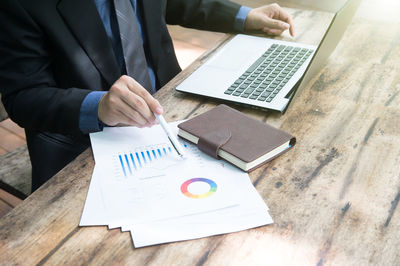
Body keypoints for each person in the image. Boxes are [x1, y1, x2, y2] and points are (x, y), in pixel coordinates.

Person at [0, 0, 294, 191]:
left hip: (174, 115)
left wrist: (243, 16)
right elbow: (24, 96)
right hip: (83, 148)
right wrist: (98, 107)